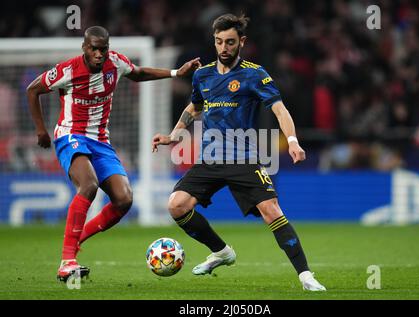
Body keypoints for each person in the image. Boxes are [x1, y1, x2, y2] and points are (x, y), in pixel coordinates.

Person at [152, 14, 326, 291]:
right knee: (176, 205)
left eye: (230, 42)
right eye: (219, 42)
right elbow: (194, 107)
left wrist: (292, 140)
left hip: (243, 158)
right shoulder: (202, 74)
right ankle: (222, 252)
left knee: (271, 210)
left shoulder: (254, 74)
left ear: (241, 42)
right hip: (210, 159)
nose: (224, 48)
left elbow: (279, 109)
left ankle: (306, 276)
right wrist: (174, 136)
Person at [26, 26, 201, 282]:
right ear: (84, 48)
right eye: (93, 49)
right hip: (70, 135)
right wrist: (41, 130)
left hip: (100, 141)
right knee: (89, 185)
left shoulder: (115, 62)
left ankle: (78, 239)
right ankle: (67, 261)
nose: (99, 54)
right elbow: (33, 89)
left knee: (124, 199)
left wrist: (175, 72)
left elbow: (138, 73)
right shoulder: (67, 70)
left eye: (103, 49)